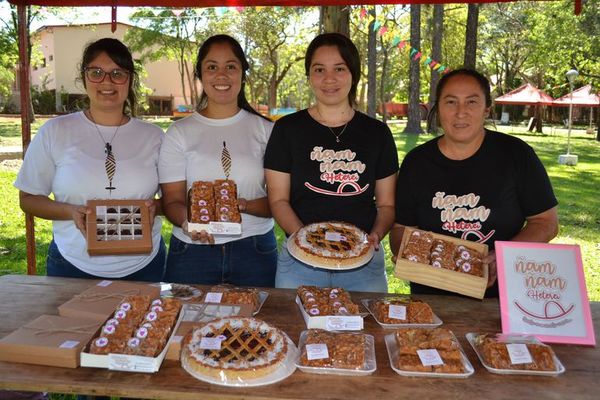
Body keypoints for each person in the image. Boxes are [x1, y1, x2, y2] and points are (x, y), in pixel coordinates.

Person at [389, 68, 559, 297]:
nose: (461, 113)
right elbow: (401, 228)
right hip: (431, 299)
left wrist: (503, 256)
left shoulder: (516, 155)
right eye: (451, 102)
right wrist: (406, 250)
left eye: (471, 102)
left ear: (486, 109)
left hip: (501, 299)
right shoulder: (417, 162)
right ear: (438, 108)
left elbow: (546, 222)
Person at [14, 38, 165, 282]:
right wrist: (71, 211)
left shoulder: (154, 136)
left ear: (130, 80)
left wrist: (155, 208)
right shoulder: (55, 131)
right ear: (84, 77)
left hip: (144, 266)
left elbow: (174, 199)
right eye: (96, 72)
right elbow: (28, 199)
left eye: (117, 73)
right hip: (72, 266)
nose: (107, 81)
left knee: (145, 322)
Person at [264, 33, 398, 292]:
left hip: (362, 263)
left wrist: (376, 235)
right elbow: (278, 200)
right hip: (300, 265)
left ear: (353, 74)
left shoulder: (377, 133)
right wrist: (308, 243)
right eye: (319, 69)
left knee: (364, 331)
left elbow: (386, 204)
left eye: (339, 68)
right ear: (309, 75)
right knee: (296, 330)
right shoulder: (287, 130)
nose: (329, 79)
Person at [159, 34, 277, 287]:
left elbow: (280, 201)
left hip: (253, 249)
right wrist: (188, 223)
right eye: (212, 67)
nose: (221, 75)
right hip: (193, 252)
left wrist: (241, 205)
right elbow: (172, 200)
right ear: (200, 75)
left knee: (256, 325)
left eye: (231, 67)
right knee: (188, 323)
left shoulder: (266, 131)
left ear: (242, 74)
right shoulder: (180, 133)